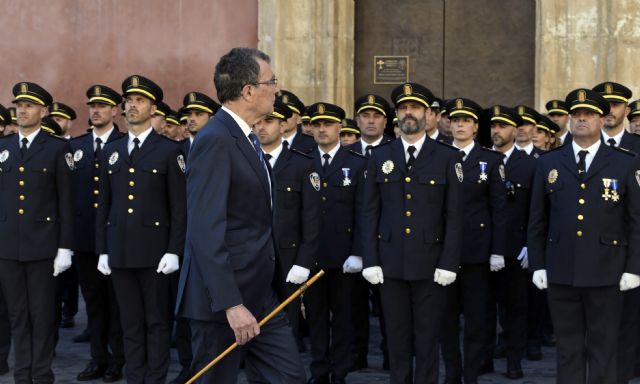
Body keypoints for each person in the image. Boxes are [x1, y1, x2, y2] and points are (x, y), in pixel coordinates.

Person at [175, 47, 305, 383]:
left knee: (288, 376)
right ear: (248, 90)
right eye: (271, 81)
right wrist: (232, 304)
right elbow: (205, 230)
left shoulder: (244, 138)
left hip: (260, 293)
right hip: (222, 301)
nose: (276, 88)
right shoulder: (216, 140)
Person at [529, 88, 640, 384]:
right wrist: (538, 264)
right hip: (561, 269)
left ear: (601, 119)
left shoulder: (624, 162)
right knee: (568, 349)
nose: (581, 119)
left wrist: (633, 268)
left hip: (607, 270)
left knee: (604, 348)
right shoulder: (549, 162)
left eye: (588, 114)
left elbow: (635, 220)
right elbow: (538, 219)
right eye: (576, 114)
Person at [361, 82, 464, 384]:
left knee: (428, 338)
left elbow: (454, 216)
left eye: (416, 108)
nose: (409, 113)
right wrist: (370, 259)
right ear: (396, 114)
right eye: (404, 107)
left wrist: (449, 262)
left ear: (428, 114)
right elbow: (369, 212)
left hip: (431, 265)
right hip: (390, 263)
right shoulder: (381, 156)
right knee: (396, 338)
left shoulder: (447, 157)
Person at [96, 75, 186, 383]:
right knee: (129, 322)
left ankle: (155, 377)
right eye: (129, 101)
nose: (132, 106)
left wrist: (174, 250)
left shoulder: (169, 151)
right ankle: (135, 377)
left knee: (157, 322)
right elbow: (104, 206)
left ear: (154, 108)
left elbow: (179, 208)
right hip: (119, 250)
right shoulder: (113, 150)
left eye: (140, 101)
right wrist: (102, 250)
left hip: (155, 253)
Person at [0, 81, 74, 383]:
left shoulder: (57, 148)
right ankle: (22, 373)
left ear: (43, 111)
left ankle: (42, 374)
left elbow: (66, 202)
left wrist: (64, 247)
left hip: (43, 247)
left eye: (29, 105)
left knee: (42, 315)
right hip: (7, 247)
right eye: (19, 105)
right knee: (17, 315)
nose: (22, 110)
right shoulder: (3, 148)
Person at [440, 98, 508, 384]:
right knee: (446, 319)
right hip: (442, 252)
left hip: (477, 252)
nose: (459, 125)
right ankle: (452, 373)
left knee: (477, 320)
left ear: (476, 126)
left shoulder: (491, 161)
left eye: (466, 121)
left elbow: (499, 210)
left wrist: (497, 251)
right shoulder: (438, 156)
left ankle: (471, 375)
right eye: (455, 120)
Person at [253, 98, 321, 354]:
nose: (261, 127)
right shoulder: (243, 161)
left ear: (283, 126)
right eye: (257, 122)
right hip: (252, 257)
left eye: (268, 121)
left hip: (288, 259)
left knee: (286, 325)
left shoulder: (302, 165)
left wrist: (304, 262)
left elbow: (312, 220)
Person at [71, 84, 125, 382]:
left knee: (117, 304)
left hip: (115, 240)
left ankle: (118, 359)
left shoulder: (123, 143)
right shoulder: (75, 148)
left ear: (114, 110)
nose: (96, 110)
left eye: (102, 106)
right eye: (92, 105)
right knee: (93, 304)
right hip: (84, 240)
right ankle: (97, 359)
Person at [488, 105, 536, 379]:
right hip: (485, 248)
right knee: (483, 306)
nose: (497, 131)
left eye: (502, 126)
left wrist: (531, 243)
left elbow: (536, 208)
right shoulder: (482, 160)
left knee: (516, 306)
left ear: (515, 131)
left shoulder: (530, 164)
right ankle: (486, 355)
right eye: (494, 126)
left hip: (516, 248)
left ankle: (514, 358)